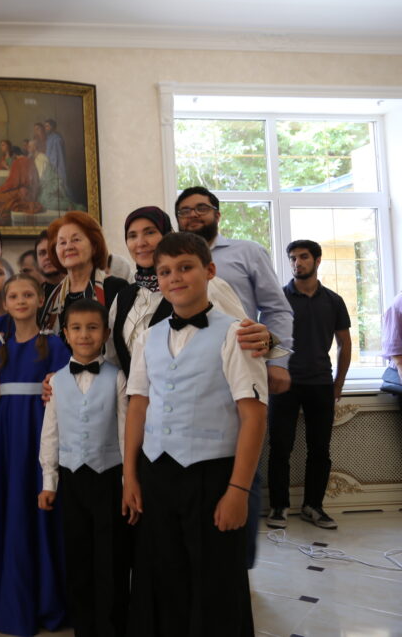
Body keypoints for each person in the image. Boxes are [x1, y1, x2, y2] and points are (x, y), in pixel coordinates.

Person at [122, 232, 267, 636]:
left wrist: (238, 491)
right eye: (165, 271)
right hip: (157, 473)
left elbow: (254, 416)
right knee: (163, 575)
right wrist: (130, 476)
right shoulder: (148, 338)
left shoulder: (237, 334)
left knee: (215, 579)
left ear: (210, 271)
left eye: (185, 268)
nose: (175, 278)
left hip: (213, 476)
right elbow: (138, 406)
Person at [175, 185, 294, 566]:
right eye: (184, 211)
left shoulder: (247, 252)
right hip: (193, 378)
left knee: (244, 460)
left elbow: (277, 309)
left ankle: (238, 568)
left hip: (242, 369)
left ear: (217, 214)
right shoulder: (174, 260)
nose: (193, 215)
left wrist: (278, 362)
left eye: (201, 208)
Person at [39, 298, 129, 637]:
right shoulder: (56, 381)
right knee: (77, 557)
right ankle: (84, 627)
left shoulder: (118, 377)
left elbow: (126, 434)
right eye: (76, 328)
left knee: (111, 557)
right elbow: (50, 433)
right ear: (65, 333)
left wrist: (128, 482)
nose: (84, 335)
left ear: (105, 333)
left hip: (109, 478)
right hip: (71, 478)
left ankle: (112, 626)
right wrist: (49, 482)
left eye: (92, 328)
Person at [0, 274, 69, 636]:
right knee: (13, 508)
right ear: (5, 304)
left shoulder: (54, 345)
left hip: (39, 430)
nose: (20, 301)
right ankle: (14, 599)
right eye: (13, 296)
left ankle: (47, 599)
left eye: (27, 295)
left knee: (39, 509)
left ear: (40, 301)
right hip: (8, 434)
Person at [108, 206, 273, 377]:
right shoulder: (124, 297)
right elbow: (113, 359)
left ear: (167, 235)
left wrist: (266, 341)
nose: (141, 242)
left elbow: (249, 339)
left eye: (150, 232)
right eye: (132, 236)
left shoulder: (205, 285)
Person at [267, 239, 351, 531]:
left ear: (317, 260)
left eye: (303, 257)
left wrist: (338, 384)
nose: (297, 263)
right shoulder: (278, 299)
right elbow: (266, 341)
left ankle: (313, 506)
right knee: (280, 448)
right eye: (292, 258)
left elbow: (344, 344)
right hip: (283, 384)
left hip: (320, 384)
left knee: (320, 450)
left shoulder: (334, 301)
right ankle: (279, 506)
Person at [41, 211, 128, 336]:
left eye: (75, 240)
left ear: (94, 246)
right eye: (62, 242)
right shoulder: (52, 296)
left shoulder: (116, 289)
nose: (68, 247)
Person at [0, 147, 41, 225]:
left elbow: (12, 183)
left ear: (14, 155)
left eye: (12, 157)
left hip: (21, 195)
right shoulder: (30, 161)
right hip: (31, 194)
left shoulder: (17, 162)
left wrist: (0, 188)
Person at [35, 230, 63, 302]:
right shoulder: (34, 294)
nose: (48, 257)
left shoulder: (79, 289)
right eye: (42, 253)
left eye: (53, 251)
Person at [42, 118, 68, 194]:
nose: (45, 128)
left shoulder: (56, 139)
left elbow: (57, 156)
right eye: (45, 126)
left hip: (56, 167)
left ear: (52, 127)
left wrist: (51, 168)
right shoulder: (49, 138)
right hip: (49, 166)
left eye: (47, 126)